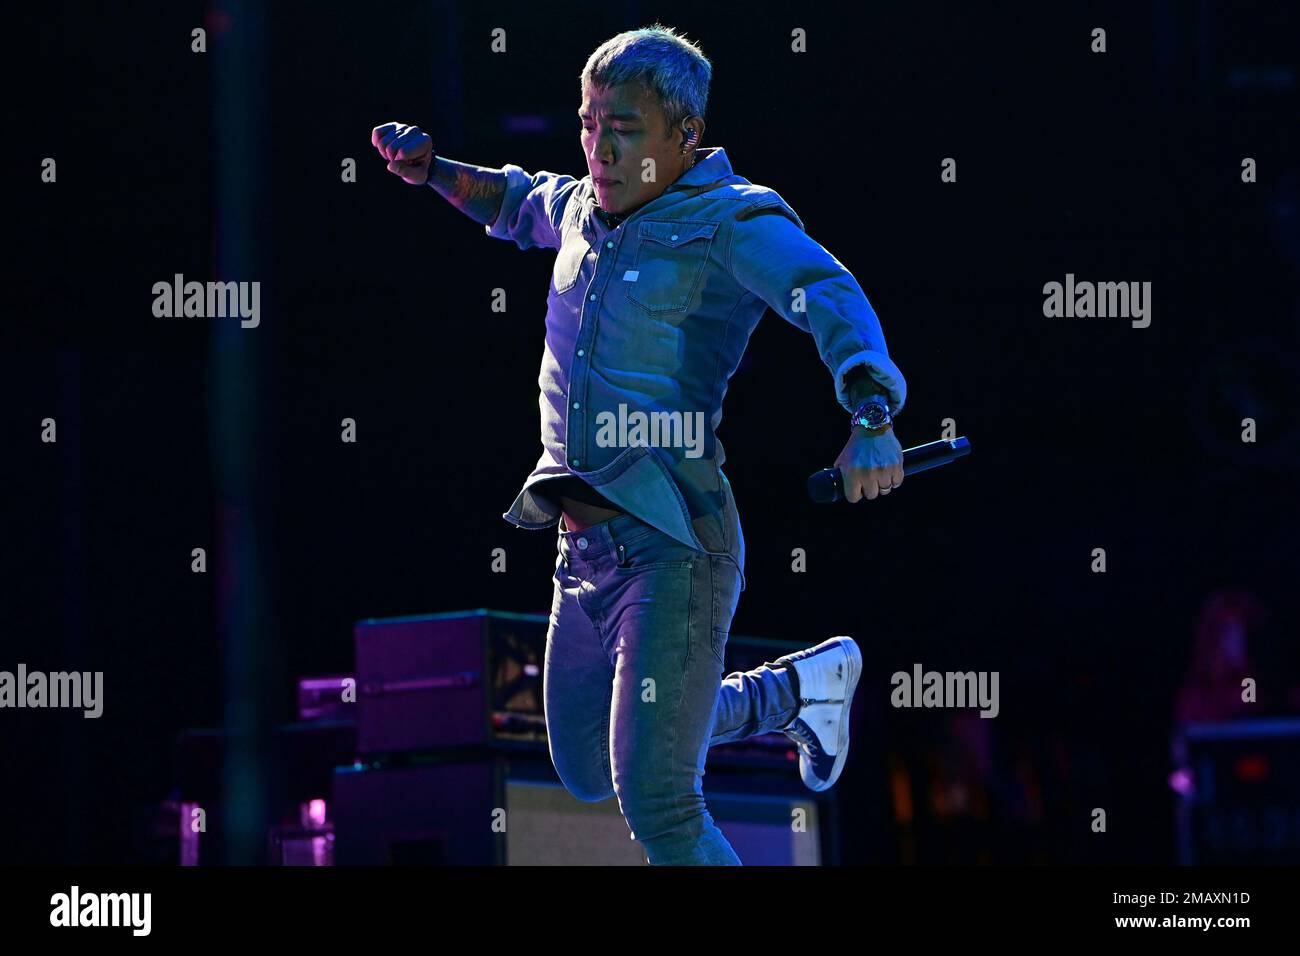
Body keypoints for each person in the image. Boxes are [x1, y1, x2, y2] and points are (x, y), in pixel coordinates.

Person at [372, 23, 908, 864]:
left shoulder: (731, 221)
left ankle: (788, 696)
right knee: (585, 767)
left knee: (657, 798)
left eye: (622, 127)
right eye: (587, 122)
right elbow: (514, 201)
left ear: (684, 135)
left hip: (674, 547)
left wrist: (871, 416)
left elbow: (823, 290)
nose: (598, 147)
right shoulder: (584, 207)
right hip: (580, 555)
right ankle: (793, 693)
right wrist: (435, 170)